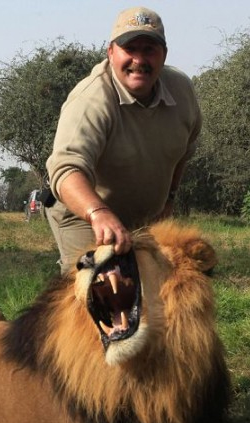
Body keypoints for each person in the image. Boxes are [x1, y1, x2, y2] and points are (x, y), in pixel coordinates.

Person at [46, 6, 202, 273]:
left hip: (143, 217)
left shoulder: (182, 91)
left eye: (149, 50)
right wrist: (98, 213)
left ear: (164, 55)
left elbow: (184, 151)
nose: (139, 60)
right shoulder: (91, 99)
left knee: (157, 287)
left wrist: (169, 199)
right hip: (84, 214)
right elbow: (66, 170)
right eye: (130, 49)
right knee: (98, 287)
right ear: (111, 52)